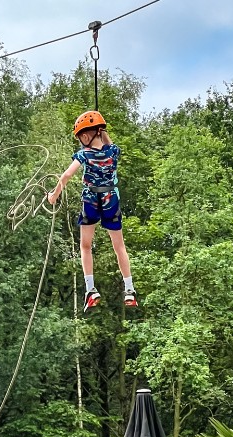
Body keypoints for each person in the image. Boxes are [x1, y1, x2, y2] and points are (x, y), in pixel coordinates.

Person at [48, 110, 138, 313]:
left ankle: (90, 290)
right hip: (110, 200)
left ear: (86, 135)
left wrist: (54, 195)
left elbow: (66, 175)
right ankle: (129, 289)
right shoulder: (112, 152)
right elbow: (109, 142)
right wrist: (101, 130)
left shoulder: (84, 154)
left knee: (86, 247)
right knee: (119, 246)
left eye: (81, 137)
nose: (81, 141)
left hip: (91, 201)